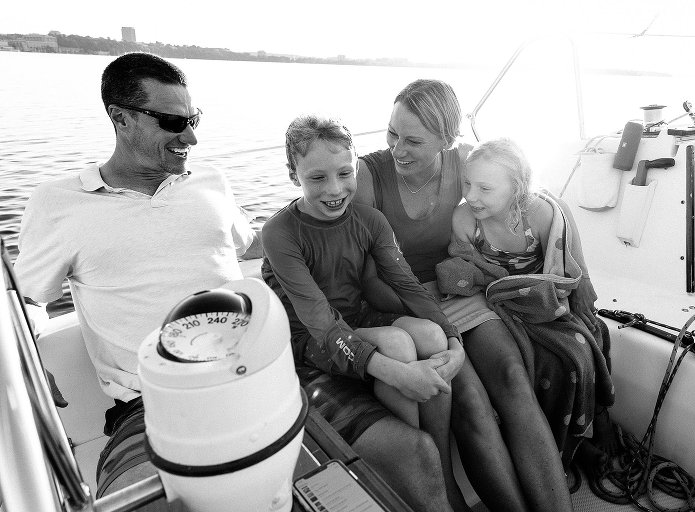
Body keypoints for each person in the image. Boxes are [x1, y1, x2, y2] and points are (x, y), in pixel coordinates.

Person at [14, 52, 260, 509]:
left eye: (192, 118)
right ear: (120, 118)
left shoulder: (212, 181)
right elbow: (23, 297)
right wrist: (23, 364)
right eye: (172, 121)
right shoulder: (58, 204)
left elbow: (251, 247)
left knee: (403, 449)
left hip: (255, 373)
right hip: (150, 402)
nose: (191, 136)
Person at [355, 79, 575, 511]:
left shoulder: (464, 164)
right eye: (392, 132)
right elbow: (368, 280)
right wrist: (439, 323)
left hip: (459, 290)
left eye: (414, 140)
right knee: (471, 401)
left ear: (447, 140)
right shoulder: (369, 174)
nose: (398, 149)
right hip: (400, 302)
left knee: (512, 374)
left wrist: (572, 268)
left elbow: (526, 194)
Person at [261, 114, 470, 512]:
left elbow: (407, 285)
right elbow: (320, 321)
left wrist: (455, 342)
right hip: (310, 341)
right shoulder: (280, 233)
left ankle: (437, 463)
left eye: (344, 172)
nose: (335, 190)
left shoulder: (371, 221)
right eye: (317, 178)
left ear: (356, 166)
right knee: (396, 343)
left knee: (431, 336)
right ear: (294, 176)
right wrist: (401, 374)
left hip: (357, 319)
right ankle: (414, 467)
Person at [445, 138, 615, 469]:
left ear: (516, 189)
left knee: (593, 336)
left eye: (485, 188)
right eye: (467, 184)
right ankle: (560, 447)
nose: (472, 195)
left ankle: (596, 422)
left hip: (546, 300)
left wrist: (582, 283)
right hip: (499, 305)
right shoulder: (465, 220)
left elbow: (565, 255)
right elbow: (465, 270)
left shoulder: (537, 213)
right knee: (548, 361)